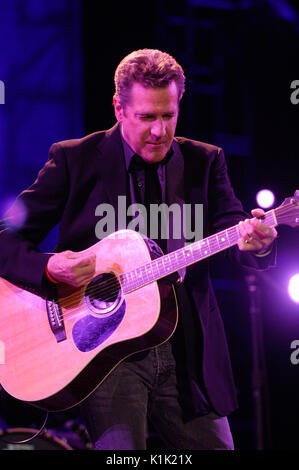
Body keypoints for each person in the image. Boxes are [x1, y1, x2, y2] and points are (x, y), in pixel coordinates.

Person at [0, 49, 277, 450]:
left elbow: (237, 238)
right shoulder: (74, 159)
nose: (160, 131)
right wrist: (49, 267)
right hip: (107, 356)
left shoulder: (205, 161)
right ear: (119, 108)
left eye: (169, 115)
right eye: (147, 117)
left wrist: (259, 245)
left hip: (189, 354)